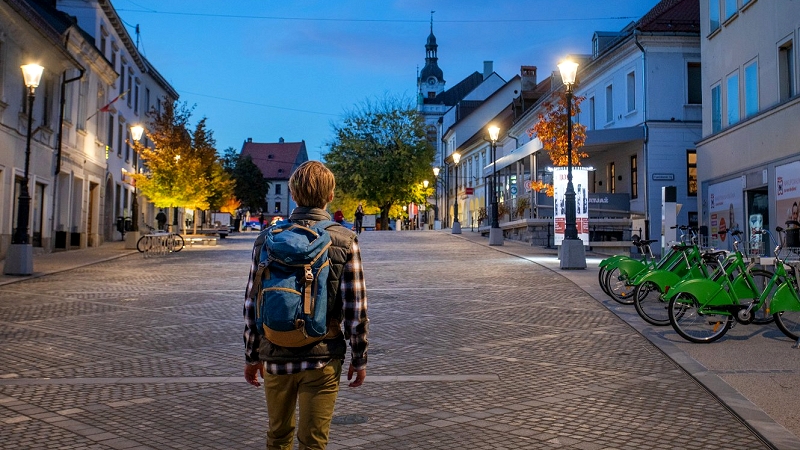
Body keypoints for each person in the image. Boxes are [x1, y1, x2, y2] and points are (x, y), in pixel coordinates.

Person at [243, 161, 369, 450]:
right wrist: (359, 357)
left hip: (275, 353)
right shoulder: (345, 240)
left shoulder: (266, 240)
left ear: (294, 195)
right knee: (313, 442)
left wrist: (252, 356)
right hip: (322, 358)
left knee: (277, 437)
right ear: (330, 195)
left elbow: (252, 303)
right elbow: (356, 309)